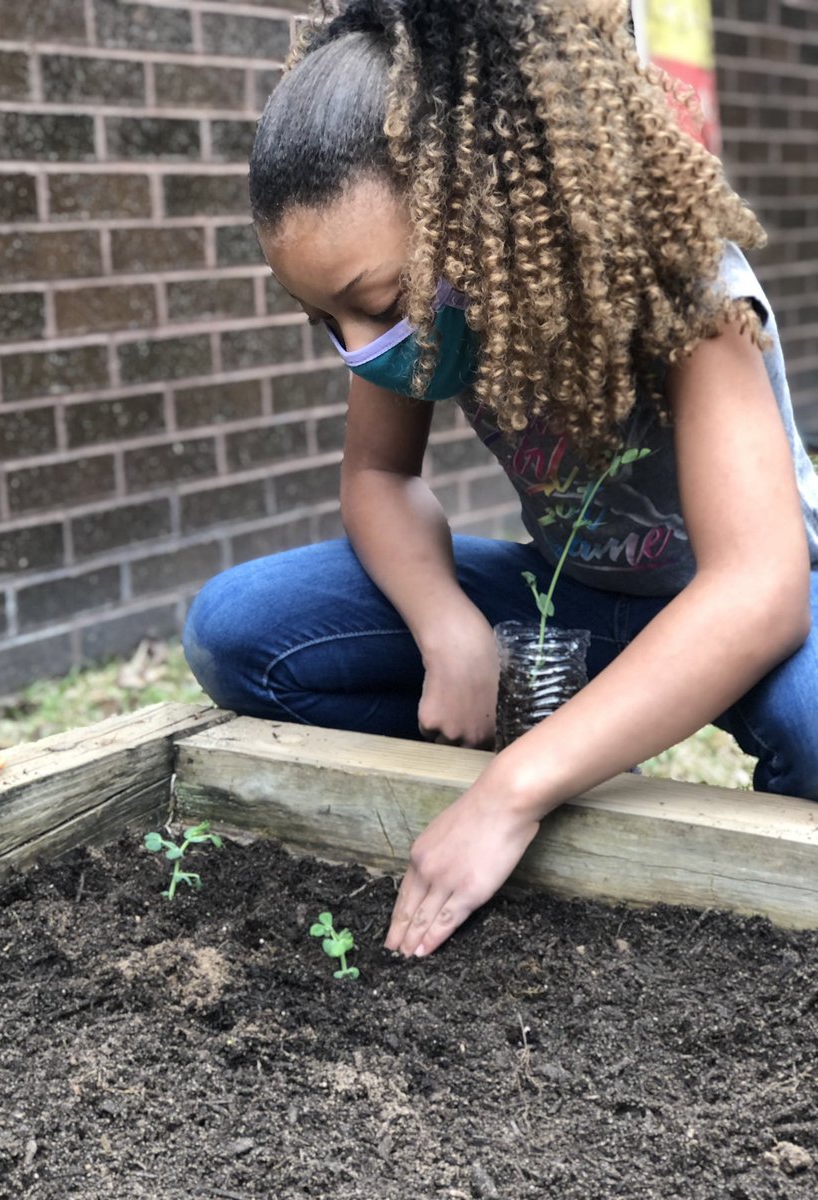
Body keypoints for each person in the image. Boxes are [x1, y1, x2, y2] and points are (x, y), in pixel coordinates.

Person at [183, 0, 818, 958]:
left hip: (750, 610)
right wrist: (450, 627)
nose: (362, 351)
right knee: (241, 634)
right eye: (327, 322)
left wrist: (513, 791)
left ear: (483, 209)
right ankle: (547, 735)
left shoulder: (684, 286)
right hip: (574, 598)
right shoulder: (417, 326)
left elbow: (759, 590)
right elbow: (379, 477)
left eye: (379, 304)